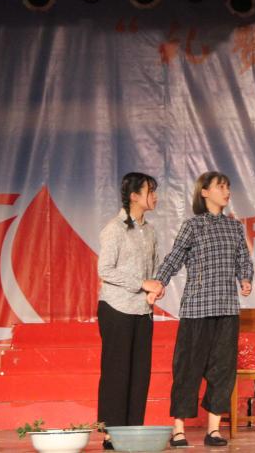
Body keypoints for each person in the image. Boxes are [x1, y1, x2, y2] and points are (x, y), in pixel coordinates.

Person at [154, 171, 253, 447]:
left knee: (222, 370)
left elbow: (243, 259)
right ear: (205, 192)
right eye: (220, 187)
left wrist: (245, 278)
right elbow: (174, 257)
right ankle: (179, 429)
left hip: (227, 309)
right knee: (188, 368)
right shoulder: (193, 226)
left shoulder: (235, 227)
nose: (226, 191)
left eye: (228, 186)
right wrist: (159, 282)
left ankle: (213, 430)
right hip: (197, 308)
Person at [97, 172, 165, 449]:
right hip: (116, 307)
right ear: (134, 196)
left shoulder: (150, 230)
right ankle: (111, 434)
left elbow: (155, 267)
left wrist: (155, 287)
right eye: (150, 191)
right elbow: (105, 270)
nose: (155, 196)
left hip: (142, 310)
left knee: (140, 374)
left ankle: (132, 430)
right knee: (117, 372)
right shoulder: (114, 228)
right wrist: (141, 283)